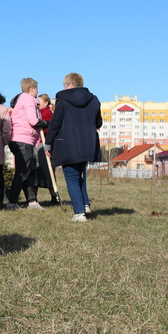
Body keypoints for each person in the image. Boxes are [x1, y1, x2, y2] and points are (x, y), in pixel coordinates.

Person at [43, 73, 102, 222]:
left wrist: (48, 144)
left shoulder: (62, 101)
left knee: (72, 177)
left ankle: (79, 212)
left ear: (69, 85)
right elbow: (99, 123)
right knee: (80, 175)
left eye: (64, 85)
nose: (63, 88)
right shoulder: (94, 100)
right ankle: (85, 204)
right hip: (88, 143)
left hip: (68, 144)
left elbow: (55, 124)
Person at [7, 78, 49, 210]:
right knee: (23, 172)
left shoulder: (22, 100)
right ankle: (12, 202)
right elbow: (33, 120)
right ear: (31, 88)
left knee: (26, 170)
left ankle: (32, 201)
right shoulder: (29, 100)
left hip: (20, 139)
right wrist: (46, 123)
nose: (37, 91)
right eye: (36, 88)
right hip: (23, 140)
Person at [36, 93, 58, 205]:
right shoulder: (37, 112)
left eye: (39, 101)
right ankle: (33, 198)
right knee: (35, 171)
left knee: (47, 171)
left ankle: (54, 195)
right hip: (37, 144)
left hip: (43, 144)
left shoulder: (47, 113)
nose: (38, 103)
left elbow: (49, 128)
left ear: (46, 102)